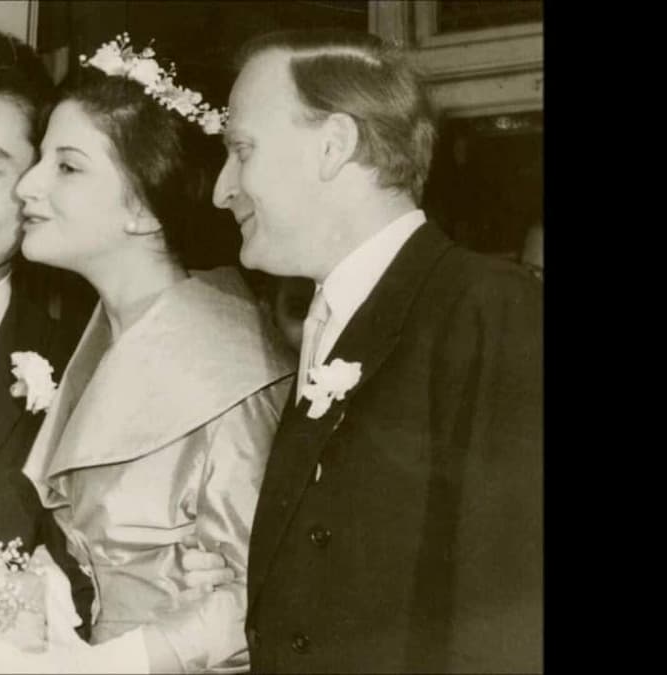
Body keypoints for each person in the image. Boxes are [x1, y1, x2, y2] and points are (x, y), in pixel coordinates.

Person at [0, 34, 295, 674]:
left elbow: (270, 594)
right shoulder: (99, 341)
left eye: (66, 166)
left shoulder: (234, 367)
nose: (26, 187)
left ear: (144, 208)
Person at [210, 29, 543, 672]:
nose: (222, 189)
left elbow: (507, 623)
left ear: (333, 147)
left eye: (241, 151)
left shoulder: (492, 309)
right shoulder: (333, 316)